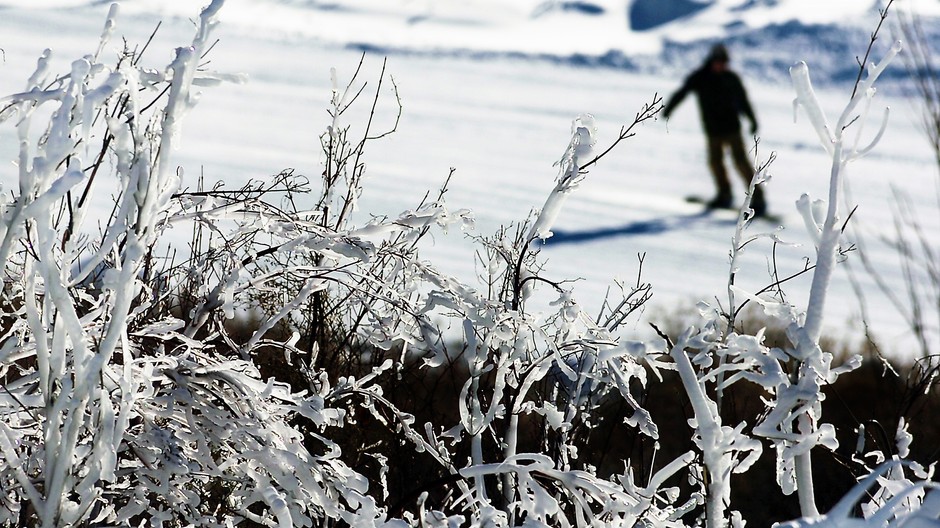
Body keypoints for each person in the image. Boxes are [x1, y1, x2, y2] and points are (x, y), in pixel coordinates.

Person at [662, 43, 767, 216]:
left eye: (724, 62)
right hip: (712, 130)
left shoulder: (731, 78)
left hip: (732, 128)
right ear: (712, 61)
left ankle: (758, 198)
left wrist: (752, 119)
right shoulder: (700, 77)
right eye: (719, 62)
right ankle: (724, 194)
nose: (722, 65)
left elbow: (743, 100)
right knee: (715, 162)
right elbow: (682, 92)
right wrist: (669, 108)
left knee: (740, 162)